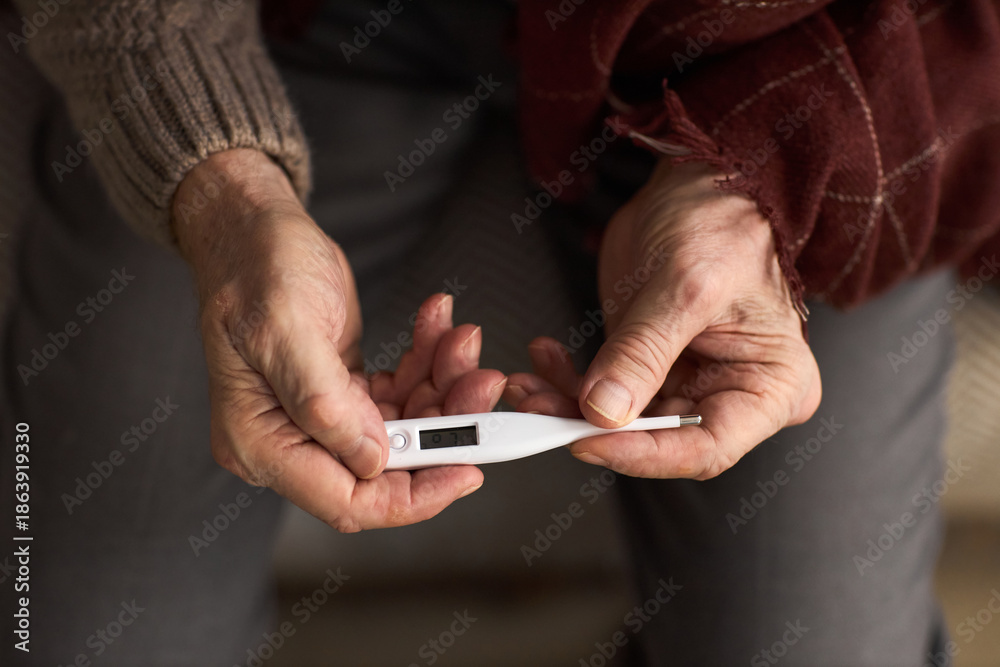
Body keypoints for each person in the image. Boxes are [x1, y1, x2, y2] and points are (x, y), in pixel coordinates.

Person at [2, 0, 998, 664]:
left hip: (768, 61)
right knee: (82, 636)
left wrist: (767, 178)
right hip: (284, 31)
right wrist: (221, 195)